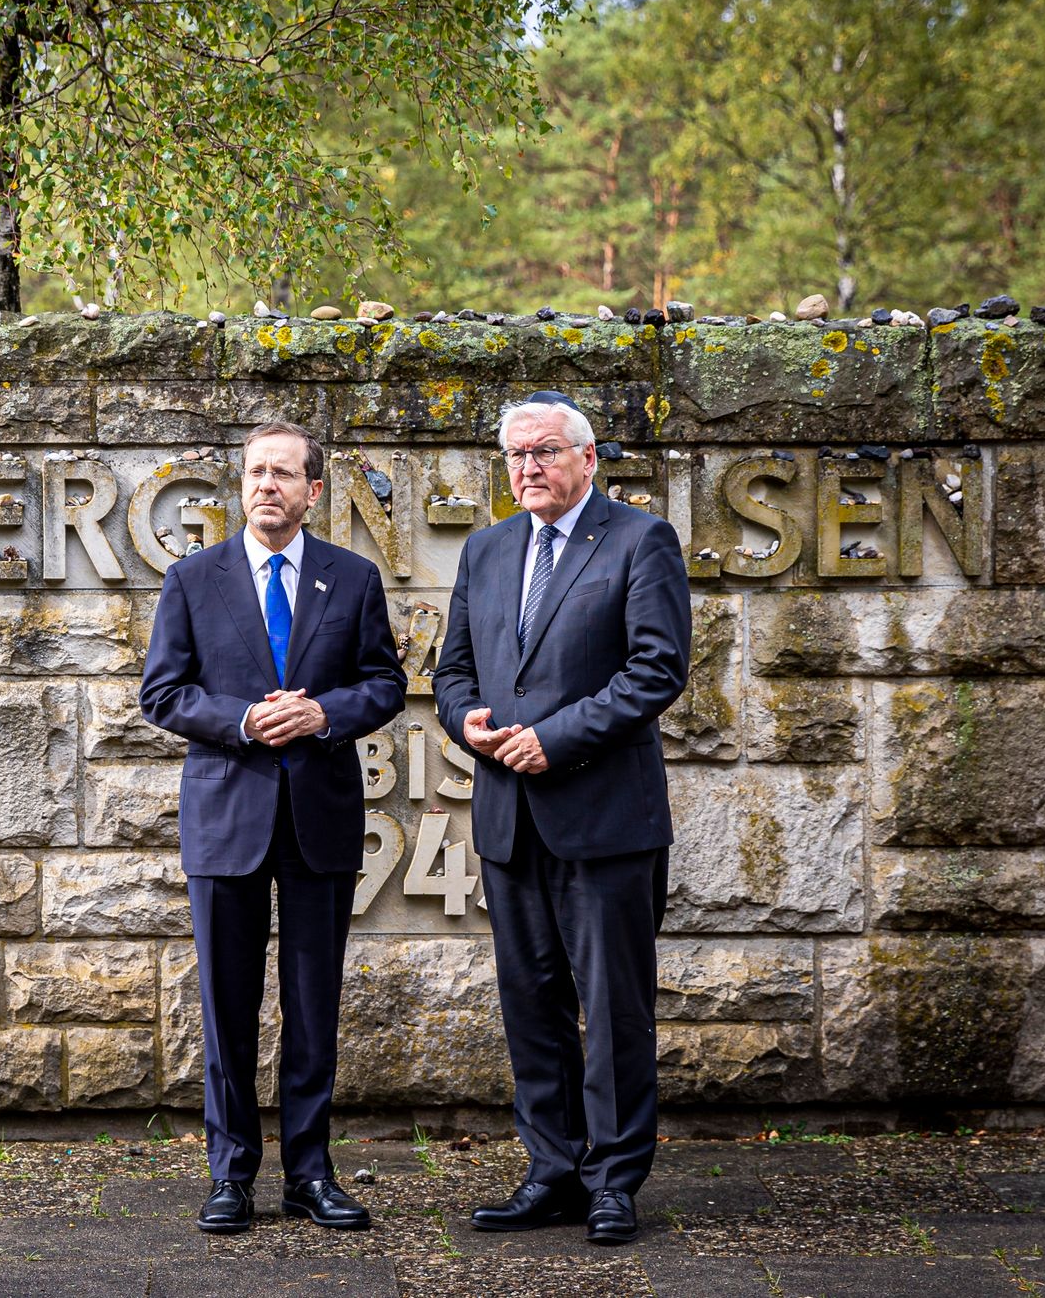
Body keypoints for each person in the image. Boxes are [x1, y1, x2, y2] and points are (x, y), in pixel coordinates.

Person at [432, 391, 691, 1246]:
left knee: (615, 1005)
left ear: (587, 458)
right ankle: (551, 1170)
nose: (528, 468)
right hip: (509, 817)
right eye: (515, 455)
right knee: (531, 1002)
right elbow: (455, 670)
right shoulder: (487, 547)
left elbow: (657, 670)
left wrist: (557, 738)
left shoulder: (638, 539)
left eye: (544, 451)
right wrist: (466, 722)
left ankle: (614, 1180)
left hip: (604, 817)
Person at [140, 420, 407, 1235]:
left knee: (312, 1003)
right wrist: (246, 720)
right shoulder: (194, 578)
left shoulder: (352, 578)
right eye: (257, 472)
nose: (268, 485)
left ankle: (310, 1173)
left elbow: (386, 683)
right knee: (227, 1005)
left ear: (312, 491)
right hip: (227, 819)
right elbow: (163, 693)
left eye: (285, 474)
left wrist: (325, 711)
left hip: (319, 819)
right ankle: (230, 1175)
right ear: (241, 483)